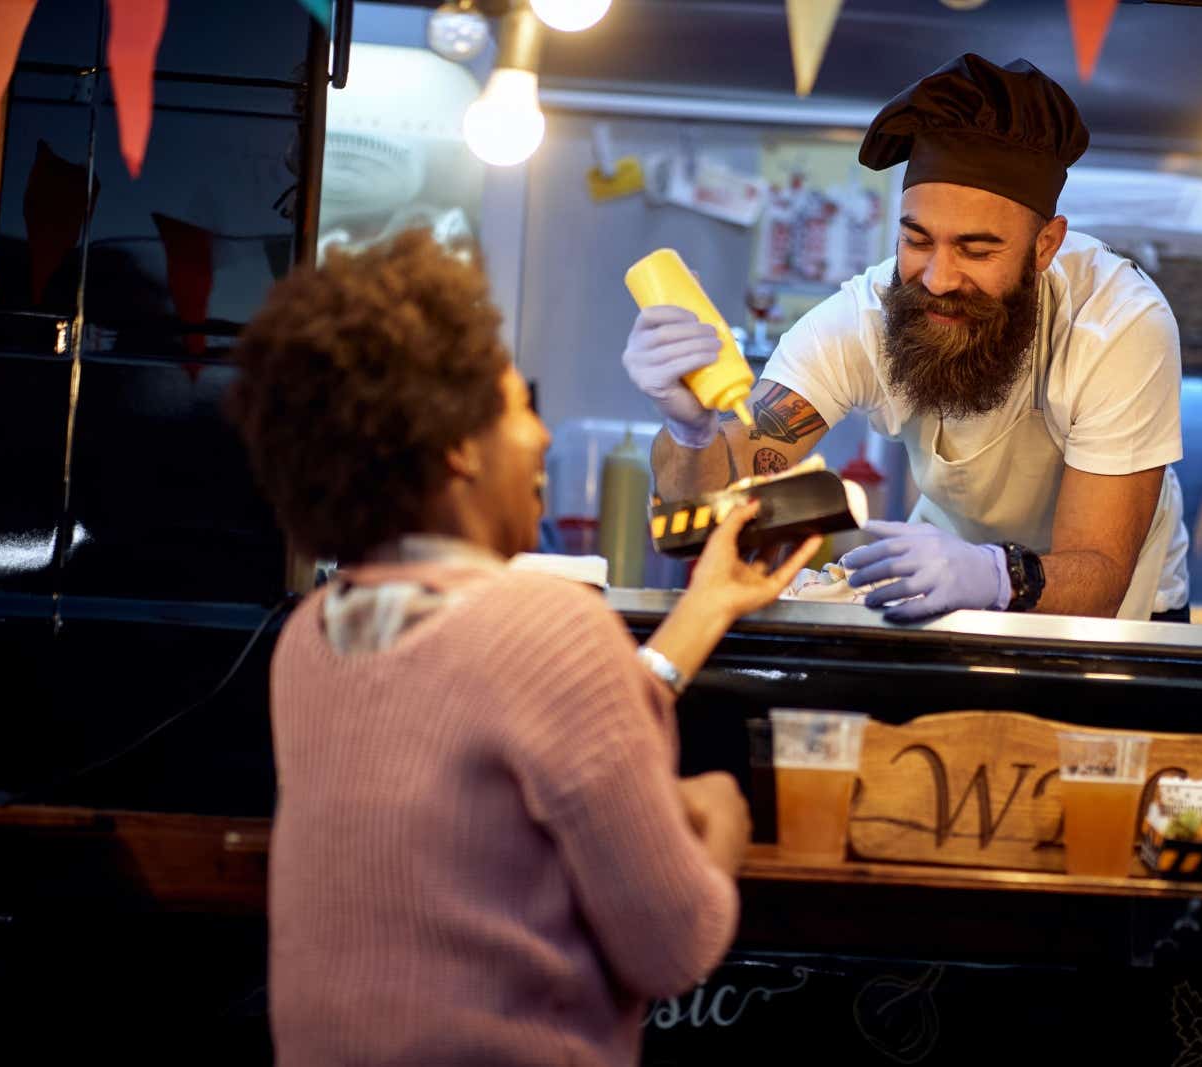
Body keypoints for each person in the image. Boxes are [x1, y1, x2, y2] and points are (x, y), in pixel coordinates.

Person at [228, 230, 819, 1066]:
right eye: (518, 407)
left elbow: (515, 732)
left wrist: (703, 608)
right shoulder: (546, 627)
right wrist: (719, 815)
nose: (542, 438)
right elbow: (674, 944)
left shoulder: (315, 634)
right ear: (458, 448)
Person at [623, 53, 1191, 623]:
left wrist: (992, 574)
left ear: (1045, 246)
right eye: (918, 240)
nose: (938, 279)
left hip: (1118, 620)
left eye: (977, 249)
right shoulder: (864, 318)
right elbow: (697, 522)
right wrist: (690, 432)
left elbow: (1099, 578)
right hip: (945, 587)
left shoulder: (1117, 324)